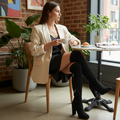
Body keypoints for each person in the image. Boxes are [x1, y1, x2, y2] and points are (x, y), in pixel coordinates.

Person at [30, 1, 112, 119]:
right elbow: (33, 51)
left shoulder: (61, 28)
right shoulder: (37, 29)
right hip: (48, 63)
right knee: (76, 55)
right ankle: (95, 84)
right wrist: (50, 44)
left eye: (60, 11)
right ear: (48, 12)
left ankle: (78, 104)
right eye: (57, 11)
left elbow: (76, 40)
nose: (60, 14)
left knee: (77, 67)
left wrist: (75, 42)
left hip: (61, 61)